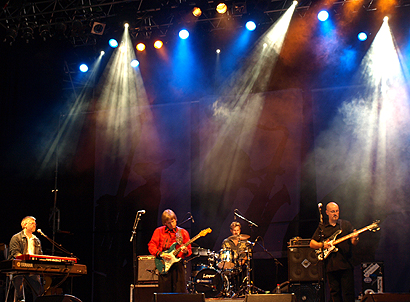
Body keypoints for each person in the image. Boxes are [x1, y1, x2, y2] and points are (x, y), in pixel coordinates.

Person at [310, 202, 359, 302]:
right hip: (331, 266)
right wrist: (322, 245)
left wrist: (355, 238)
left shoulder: (345, 224)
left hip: (346, 265)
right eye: (333, 211)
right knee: (335, 294)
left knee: (348, 293)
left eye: (337, 211)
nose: (335, 213)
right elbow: (312, 243)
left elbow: (353, 243)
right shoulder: (323, 228)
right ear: (327, 212)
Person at [148, 209, 192, 293]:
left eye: (173, 221)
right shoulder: (159, 231)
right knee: (164, 292)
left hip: (178, 265)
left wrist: (185, 251)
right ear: (165, 223)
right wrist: (161, 254)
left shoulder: (183, 232)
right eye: (169, 223)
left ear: (176, 219)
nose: (172, 224)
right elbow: (151, 246)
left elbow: (189, 250)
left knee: (180, 292)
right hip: (164, 264)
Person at [8, 216, 44, 302]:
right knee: (18, 280)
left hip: (32, 268)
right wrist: (25, 259)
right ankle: (20, 299)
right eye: (32, 223)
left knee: (39, 288)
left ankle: (38, 299)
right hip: (19, 268)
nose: (34, 225)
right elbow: (15, 253)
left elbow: (39, 255)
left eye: (35, 224)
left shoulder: (36, 240)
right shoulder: (16, 238)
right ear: (25, 224)